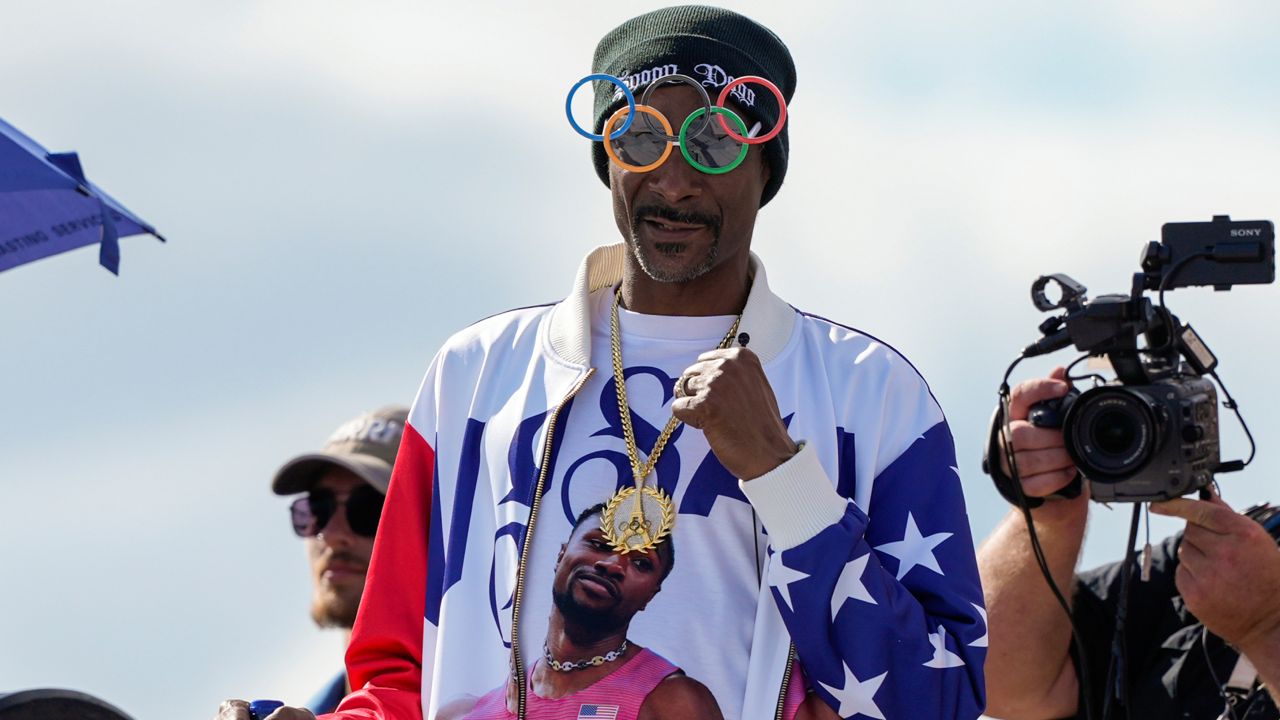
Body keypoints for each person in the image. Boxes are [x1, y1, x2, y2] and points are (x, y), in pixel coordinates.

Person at [229, 6, 988, 719]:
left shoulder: (870, 393)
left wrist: (782, 476)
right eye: (641, 139)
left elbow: (944, 697)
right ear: (607, 157)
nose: (676, 178)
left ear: (767, 169)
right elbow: (399, 673)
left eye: (716, 141)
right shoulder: (475, 378)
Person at [978, 367, 1280, 719]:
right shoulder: (1255, 551)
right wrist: (1052, 509)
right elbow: (996, 679)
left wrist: (1267, 628)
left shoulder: (1259, 585)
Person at [435, 503, 721, 720]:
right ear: (561, 555)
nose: (612, 564)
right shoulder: (462, 712)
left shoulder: (672, 702)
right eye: (598, 544)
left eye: (641, 563)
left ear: (651, 594)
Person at [215, 406, 409, 720]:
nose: (332, 535)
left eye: (371, 509)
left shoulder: (495, 700)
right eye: (318, 508)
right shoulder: (314, 711)